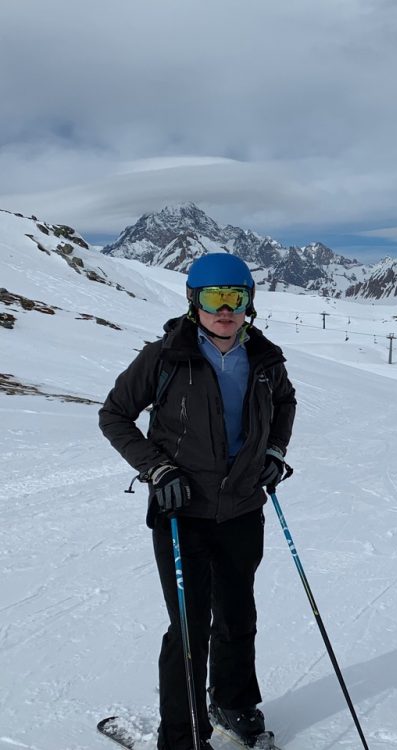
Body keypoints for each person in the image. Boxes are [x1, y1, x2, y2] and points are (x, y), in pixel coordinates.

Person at [98, 253, 297, 750]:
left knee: (237, 615)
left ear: (250, 303)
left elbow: (285, 404)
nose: (225, 309)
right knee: (189, 629)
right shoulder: (165, 356)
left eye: (236, 298)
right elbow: (115, 414)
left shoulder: (267, 358)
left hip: (243, 508)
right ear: (194, 302)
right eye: (214, 298)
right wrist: (156, 467)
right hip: (181, 511)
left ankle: (234, 702)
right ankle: (183, 735)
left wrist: (274, 450)